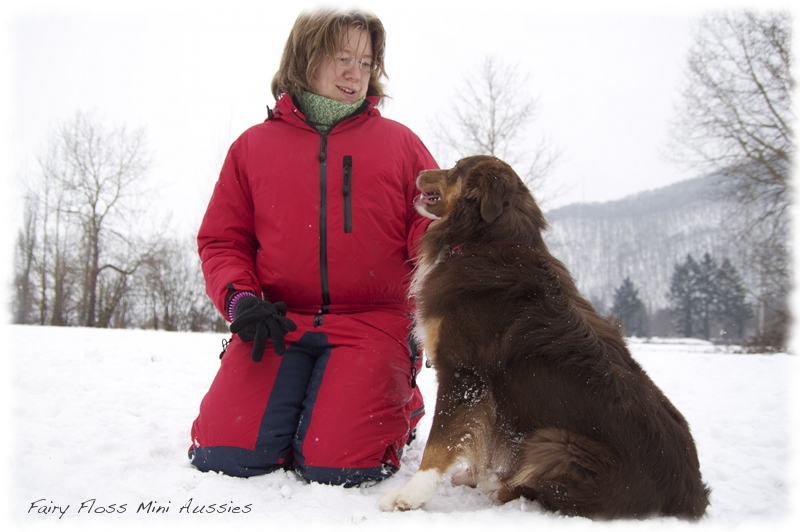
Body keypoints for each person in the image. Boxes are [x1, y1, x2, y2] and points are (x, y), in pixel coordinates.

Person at [188, 8, 438, 487]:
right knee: (225, 454)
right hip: (278, 320)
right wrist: (241, 300)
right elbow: (224, 240)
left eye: (366, 63)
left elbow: (429, 229)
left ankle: (401, 400)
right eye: (342, 57)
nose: (355, 73)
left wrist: (452, 257)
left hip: (374, 323)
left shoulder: (401, 144)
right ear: (305, 59)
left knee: (339, 466)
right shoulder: (252, 147)